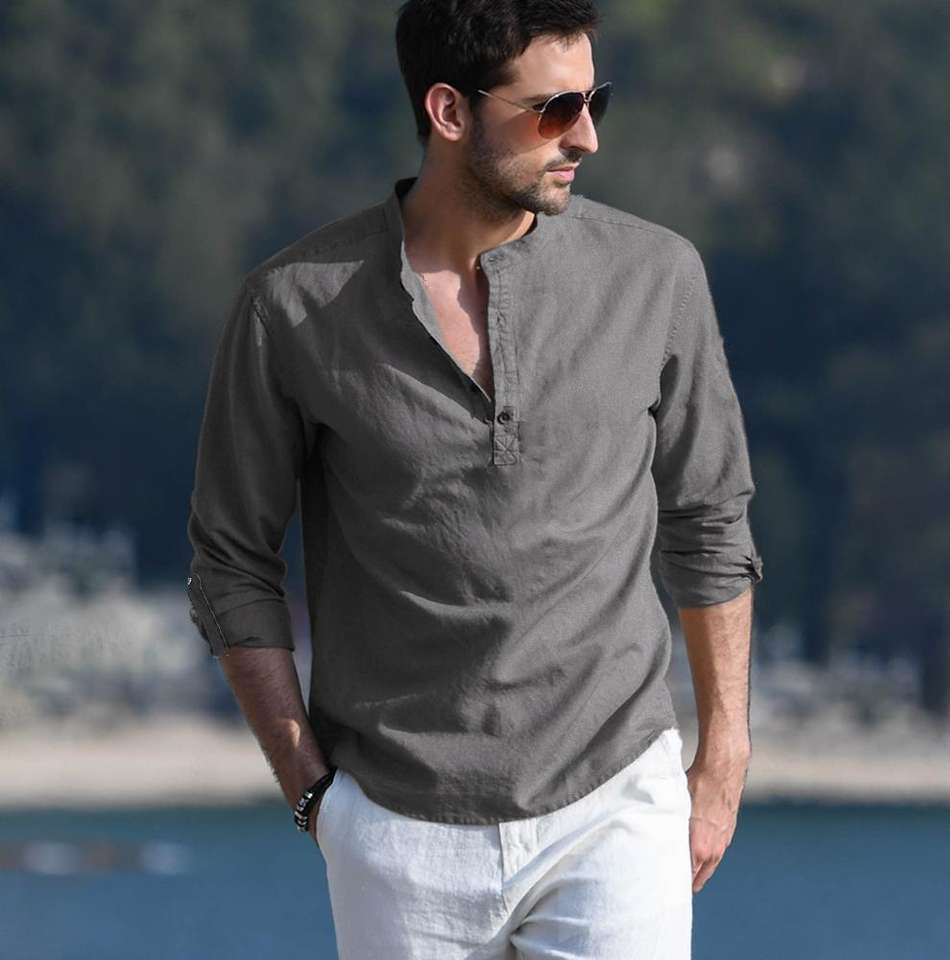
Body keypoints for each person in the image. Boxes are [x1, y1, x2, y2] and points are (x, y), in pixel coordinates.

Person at [185, 1, 764, 956]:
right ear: (449, 111)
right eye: (554, 109)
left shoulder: (656, 276)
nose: (585, 137)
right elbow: (231, 562)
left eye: (595, 103)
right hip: (395, 829)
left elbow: (710, 520)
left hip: (617, 803)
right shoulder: (290, 306)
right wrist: (313, 796)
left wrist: (724, 758)